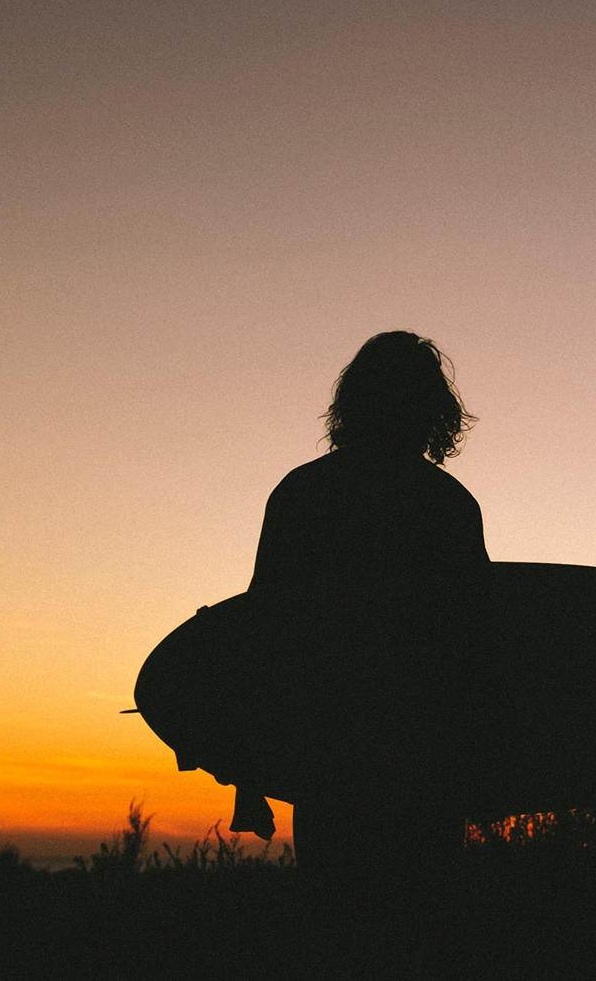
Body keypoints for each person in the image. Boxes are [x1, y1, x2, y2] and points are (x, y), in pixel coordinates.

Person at [243, 331, 493, 972]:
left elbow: (266, 639)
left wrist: (252, 772)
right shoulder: (448, 505)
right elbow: (479, 654)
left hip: (331, 765)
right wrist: (486, 773)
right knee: (417, 945)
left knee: (340, 942)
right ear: (430, 410)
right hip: (425, 768)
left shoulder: (303, 494)